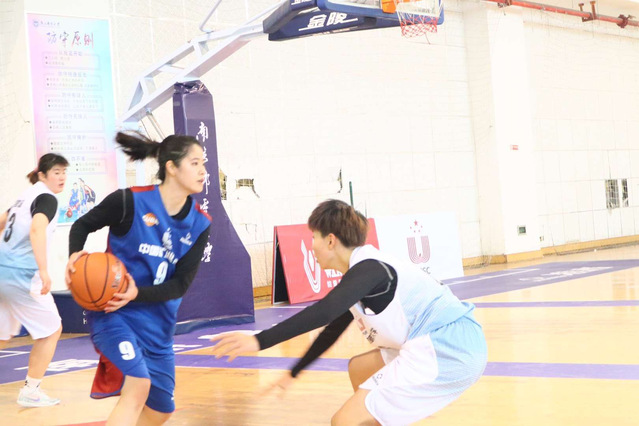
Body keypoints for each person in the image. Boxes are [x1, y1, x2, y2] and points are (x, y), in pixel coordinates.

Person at [211, 199, 488, 426]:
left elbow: (324, 311)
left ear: (331, 240)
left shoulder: (370, 269)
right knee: (359, 369)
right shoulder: (361, 273)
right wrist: (294, 372)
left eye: (314, 237)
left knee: (344, 421)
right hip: (441, 342)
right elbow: (331, 328)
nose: (312, 245)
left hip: (448, 347)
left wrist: (259, 340)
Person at [65, 132, 211, 426]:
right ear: (172, 167)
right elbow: (81, 225)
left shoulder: (199, 223)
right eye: (195, 163)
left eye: (203, 164)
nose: (203, 171)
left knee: (160, 412)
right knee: (138, 384)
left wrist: (137, 293)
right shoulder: (129, 201)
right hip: (114, 314)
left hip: (157, 325)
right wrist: (74, 257)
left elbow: (180, 285)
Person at [0, 153, 69, 407]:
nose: (62, 177)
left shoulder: (24, 197)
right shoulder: (46, 198)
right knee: (52, 330)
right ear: (42, 175)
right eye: (56, 172)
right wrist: (44, 270)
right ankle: (31, 390)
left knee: (2, 336)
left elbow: (1, 222)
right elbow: (37, 229)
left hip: (3, 272)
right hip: (22, 276)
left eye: (64, 172)